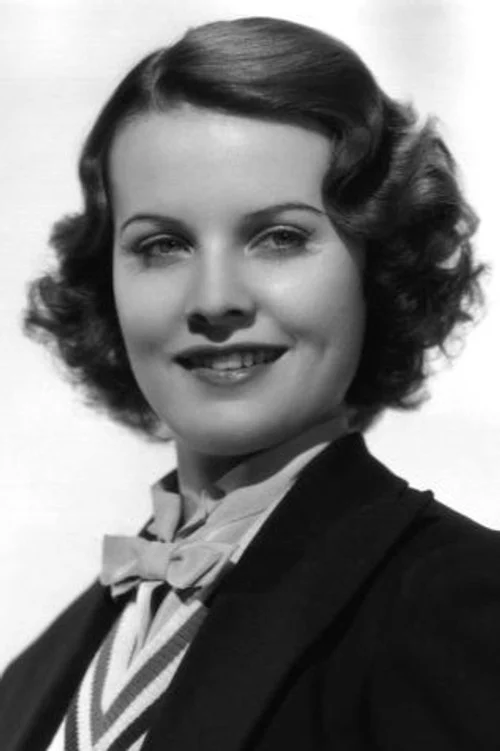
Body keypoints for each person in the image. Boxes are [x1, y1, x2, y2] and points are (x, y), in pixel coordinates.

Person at [1, 15, 497, 751]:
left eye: (280, 237)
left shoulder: (463, 606)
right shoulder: (33, 678)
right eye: (162, 245)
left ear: (378, 265)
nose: (215, 298)